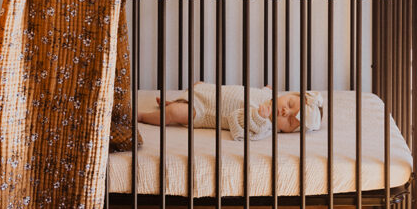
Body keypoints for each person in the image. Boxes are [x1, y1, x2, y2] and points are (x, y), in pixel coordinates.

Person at [137, 82, 323, 141]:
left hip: (204, 111)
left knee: (176, 112)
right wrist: (267, 89)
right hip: (213, 91)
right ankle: (176, 100)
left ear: (286, 131)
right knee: (198, 85)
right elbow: (264, 91)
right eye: (290, 103)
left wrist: (258, 116)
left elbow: (239, 129)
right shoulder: (269, 96)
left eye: (290, 121)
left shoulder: (264, 124)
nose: (284, 111)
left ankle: (143, 116)